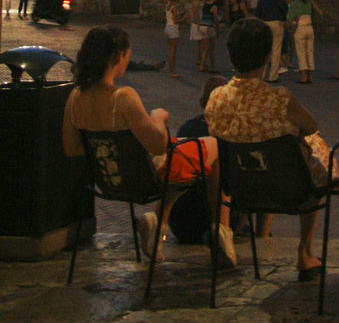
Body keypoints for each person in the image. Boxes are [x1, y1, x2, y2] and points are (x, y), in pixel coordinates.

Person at [204, 18, 339, 279]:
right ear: (266, 58)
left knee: (301, 146)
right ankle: (306, 252)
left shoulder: (215, 97)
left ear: (229, 56)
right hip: (291, 188)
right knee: (311, 143)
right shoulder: (279, 98)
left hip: (240, 187)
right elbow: (311, 124)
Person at [61, 25, 235, 267]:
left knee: (185, 150)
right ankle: (221, 230)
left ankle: (158, 222)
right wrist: (158, 116)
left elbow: (71, 149)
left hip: (106, 179)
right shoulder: (123, 97)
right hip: (144, 178)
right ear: (118, 57)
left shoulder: (75, 98)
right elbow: (158, 145)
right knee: (213, 147)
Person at [168, 75, 228, 244]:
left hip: (181, 222)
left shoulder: (186, 129)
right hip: (211, 218)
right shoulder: (230, 131)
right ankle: (262, 235)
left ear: (202, 102)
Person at [255, 0, 290, 80]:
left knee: (265, 50)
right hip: (277, 23)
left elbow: (258, 13)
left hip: (265, 23)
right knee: (276, 49)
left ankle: (261, 74)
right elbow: (285, 11)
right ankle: (273, 76)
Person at [288, 0, 321, 84]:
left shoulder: (294, 5)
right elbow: (319, 12)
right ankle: (310, 75)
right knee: (310, 52)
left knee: (301, 52)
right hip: (309, 27)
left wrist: (292, 27)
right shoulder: (309, 2)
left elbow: (291, 20)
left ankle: (303, 76)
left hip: (300, 27)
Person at [190, 0, 218, 73]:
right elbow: (195, 11)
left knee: (202, 44)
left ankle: (200, 61)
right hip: (199, 23)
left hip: (205, 22)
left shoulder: (206, 0)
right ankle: (201, 62)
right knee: (202, 44)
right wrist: (198, 23)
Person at [164, 0, 184, 78]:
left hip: (168, 27)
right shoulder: (174, 7)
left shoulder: (168, 6)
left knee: (171, 49)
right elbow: (175, 20)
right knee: (173, 50)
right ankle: (172, 71)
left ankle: (171, 70)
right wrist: (184, 18)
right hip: (173, 28)